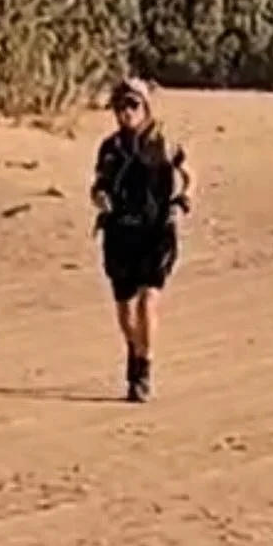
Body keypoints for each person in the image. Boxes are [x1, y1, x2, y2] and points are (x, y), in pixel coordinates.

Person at [90, 76, 193, 402]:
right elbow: (99, 185)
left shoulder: (164, 142)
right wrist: (100, 198)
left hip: (156, 230)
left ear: (146, 106)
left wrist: (182, 202)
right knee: (124, 307)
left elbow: (189, 174)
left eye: (132, 105)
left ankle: (142, 370)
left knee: (148, 299)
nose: (125, 113)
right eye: (119, 107)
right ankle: (134, 351)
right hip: (120, 231)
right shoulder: (111, 148)